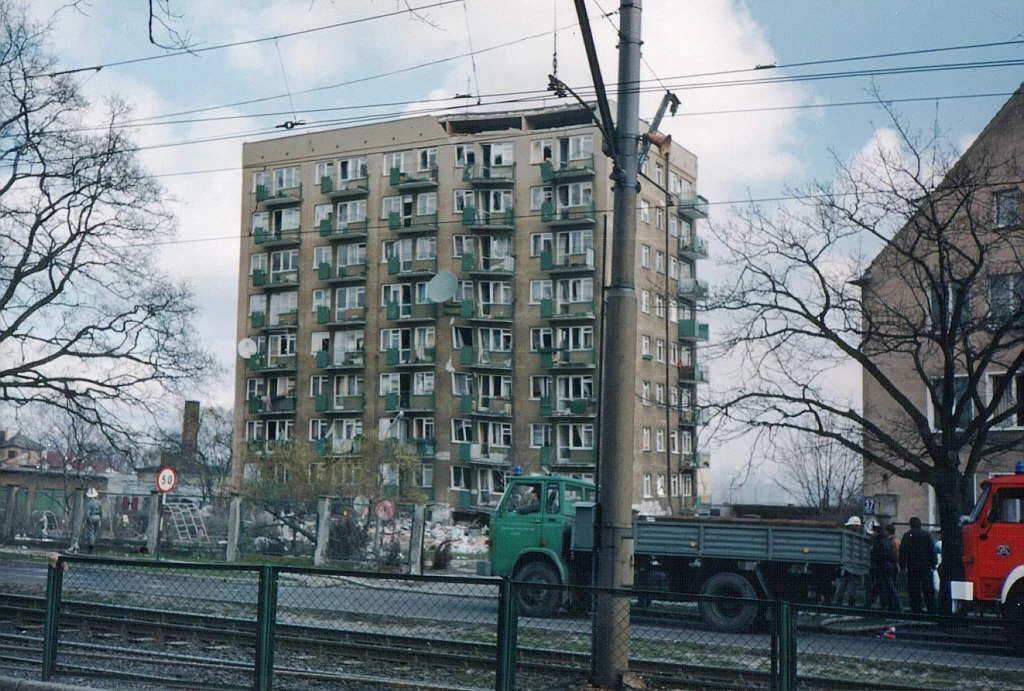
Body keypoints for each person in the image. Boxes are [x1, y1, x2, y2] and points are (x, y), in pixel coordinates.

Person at [899, 516, 938, 614]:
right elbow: (932, 550)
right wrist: (934, 563)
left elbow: (903, 552)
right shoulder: (926, 535)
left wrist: (902, 566)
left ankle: (916, 610)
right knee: (928, 589)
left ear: (910, 525)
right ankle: (931, 609)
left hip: (913, 567)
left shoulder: (908, 536)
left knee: (914, 590)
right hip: (926, 566)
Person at [867, 523, 901, 611]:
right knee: (881, 587)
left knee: (886, 587)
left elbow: (877, 555)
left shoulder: (879, 542)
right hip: (886, 567)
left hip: (881, 568)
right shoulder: (886, 541)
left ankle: (898, 607)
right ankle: (870, 605)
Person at [834, 516, 862, 607]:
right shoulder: (858, 539)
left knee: (848, 588)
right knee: (845, 588)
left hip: (851, 568)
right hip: (848, 568)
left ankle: (846, 605)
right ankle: (845, 605)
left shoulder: (855, 539)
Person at [84, 487, 102, 554]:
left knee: (90, 532)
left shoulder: (89, 504)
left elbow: (87, 513)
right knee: (94, 532)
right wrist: (100, 519)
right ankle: (93, 545)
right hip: (98, 517)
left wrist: (85, 520)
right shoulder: (99, 503)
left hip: (91, 517)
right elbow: (101, 512)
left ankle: (90, 548)